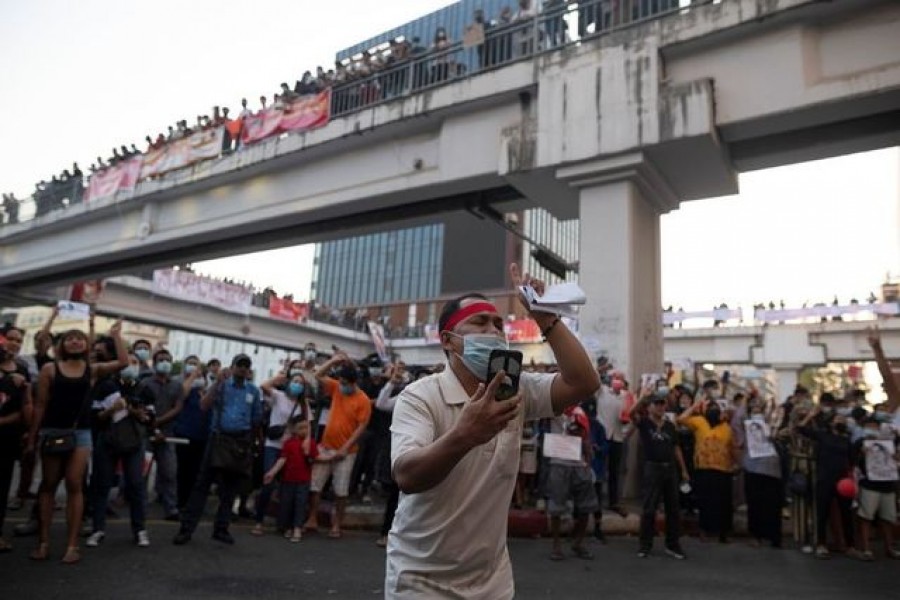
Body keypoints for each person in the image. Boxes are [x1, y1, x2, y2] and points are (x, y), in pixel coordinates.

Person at [384, 263, 600, 599]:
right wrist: (465, 434)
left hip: (492, 581)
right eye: (480, 323)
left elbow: (583, 382)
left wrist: (545, 318)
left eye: (499, 324)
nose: (495, 331)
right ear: (448, 341)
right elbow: (408, 476)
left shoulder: (517, 391)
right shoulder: (420, 396)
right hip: (420, 578)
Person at [27, 321, 127, 564]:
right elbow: (40, 405)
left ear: (86, 345)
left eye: (79, 338)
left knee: (74, 483)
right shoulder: (50, 369)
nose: (75, 341)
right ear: (62, 345)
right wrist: (32, 437)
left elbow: (123, 362)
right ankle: (44, 542)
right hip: (52, 431)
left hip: (81, 433)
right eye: (70, 338)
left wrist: (116, 336)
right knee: (49, 485)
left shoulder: (91, 369)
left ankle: (72, 545)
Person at [173, 353, 262, 546]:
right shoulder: (222, 386)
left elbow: (256, 420)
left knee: (230, 489)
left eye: (246, 366)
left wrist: (252, 446)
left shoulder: (253, 392)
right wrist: (217, 383)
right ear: (232, 366)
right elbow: (204, 405)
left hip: (239, 443)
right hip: (218, 439)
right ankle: (186, 529)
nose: (243, 369)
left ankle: (221, 529)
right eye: (240, 365)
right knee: (202, 485)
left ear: (249, 370)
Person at [304, 353, 372, 538]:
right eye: (340, 381)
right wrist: (333, 361)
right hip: (326, 445)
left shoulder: (363, 400)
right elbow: (317, 375)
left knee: (340, 491)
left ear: (353, 382)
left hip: (347, 452)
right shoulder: (336, 388)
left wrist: (345, 448)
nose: (342, 385)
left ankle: (336, 524)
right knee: (315, 486)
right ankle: (312, 518)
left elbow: (361, 427)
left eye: (345, 383)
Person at [631, 386, 689, 559]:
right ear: (650, 407)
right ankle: (645, 545)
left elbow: (676, 448)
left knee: (673, 508)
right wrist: (643, 398)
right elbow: (630, 414)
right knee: (649, 508)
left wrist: (684, 470)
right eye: (656, 404)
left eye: (663, 404)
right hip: (652, 468)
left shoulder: (670, 426)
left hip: (669, 468)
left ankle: (673, 545)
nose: (660, 407)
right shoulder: (645, 423)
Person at [252, 370, 311, 535]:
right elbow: (263, 386)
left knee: (288, 487)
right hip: (273, 445)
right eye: (295, 381)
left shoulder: (302, 405)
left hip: (291, 447)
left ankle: (284, 524)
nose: (297, 385)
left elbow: (307, 424)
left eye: (301, 383)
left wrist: (305, 441)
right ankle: (259, 520)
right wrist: (277, 379)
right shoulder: (278, 396)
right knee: (268, 483)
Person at [677, 388, 738, 543]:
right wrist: (696, 405)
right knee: (705, 502)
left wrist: (736, 464)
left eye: (716, 408)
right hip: (703, 469)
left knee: (723, 504)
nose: (713, 411)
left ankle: (723, 533)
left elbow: (733, 448)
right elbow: (681, 419)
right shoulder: (699, 422)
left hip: (723, 470)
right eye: (710, 407)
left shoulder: (727, 428)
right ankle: (704, 530)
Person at [796, 404, 854, 559]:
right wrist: (810, 416)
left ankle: (850, 546)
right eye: (838, 419)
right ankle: (821, 545)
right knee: (822, 513)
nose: (841, 421)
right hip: (824, 479)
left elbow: (852, 461)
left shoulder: (846, 440)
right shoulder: (823, 435)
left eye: (843, 419)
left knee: (846, 514)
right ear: (831, 423)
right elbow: (800, 429)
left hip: (843, 481)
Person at [136, 348, 185, 521]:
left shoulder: (177, 385)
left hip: (167, 436)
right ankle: (139, 507)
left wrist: (159, 422)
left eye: (167, 359)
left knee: (169, 473)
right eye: (161, 359)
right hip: (146, 436)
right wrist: (150, 424)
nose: (165, 363)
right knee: (142, 474)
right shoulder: (145, 383)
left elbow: (178, 407)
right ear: (155, 363)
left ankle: (171, 508)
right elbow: (138, 406)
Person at [546, 402, 599, 561]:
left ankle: (578, 543)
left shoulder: (580, 412)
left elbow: (586, 438)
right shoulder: (554, 409)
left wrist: (588, 462)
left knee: (586, 506)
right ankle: (556, 545)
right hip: (559, 462)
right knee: (556, 506)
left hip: (579, 464)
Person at [733, 395, 783, 548]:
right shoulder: (745, 424)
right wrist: (745, 401)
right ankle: (756, 535)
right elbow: (736, 422)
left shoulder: (770, 421)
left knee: (773, 505)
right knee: (755, 504)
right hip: (753, 467)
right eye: (753, 404)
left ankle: (774, 536)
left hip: (772, 468)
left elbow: (779, 422)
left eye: (759, 404)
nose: (756, 406)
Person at [0, 327, 32, 553]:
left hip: (6, 441)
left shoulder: (22, 371)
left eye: (18, 341)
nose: (14, 343)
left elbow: (26, 411)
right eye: (10, 339)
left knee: (2, 488)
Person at [263, 417, 319, 543]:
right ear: (294, 429)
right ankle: (286, 526)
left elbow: (314, 459)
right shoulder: (289, 444)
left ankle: (297, 527)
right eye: (300, 428)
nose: (303, 431)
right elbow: (282, 459)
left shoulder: (311, 444)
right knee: (286, 504)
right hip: (288, 479)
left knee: (300, 504)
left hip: (303, 480)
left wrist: (308, 452)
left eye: (306, 427)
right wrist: (272, 472)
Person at [852, 417, 900, 561]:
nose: (872, 429)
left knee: (888, 518)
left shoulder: (889, 443)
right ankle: (866, 548)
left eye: (874, 426)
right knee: (866, 516)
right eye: (869, 426)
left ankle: (889, 547)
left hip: (887, 484)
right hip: (869, 484)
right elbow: (853, 461)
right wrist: (861, 453)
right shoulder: (860, 443)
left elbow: (896, 454)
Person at [173, 356, 211, 510]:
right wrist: (192, 376)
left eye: (197, 365)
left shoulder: (204, 391)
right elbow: (182, 393)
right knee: (182, 471)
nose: (194, 368)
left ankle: (191, 503)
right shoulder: (183, 386)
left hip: (201, 437)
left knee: (196, 473)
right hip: (184, 435)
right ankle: (180, 501)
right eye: (191, 364)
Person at [595, 373, 628, 517]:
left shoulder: (626, 396)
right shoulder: (602, 391)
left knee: (615, 471)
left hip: (618, 437)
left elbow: (629, 414)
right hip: (603, 436)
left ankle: (614, 502)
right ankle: (596, 502)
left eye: (621, 379)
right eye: (616, 378)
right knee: (599, 470)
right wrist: (602, 369)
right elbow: (593, 378)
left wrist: (627, 430)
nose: (618, 381)